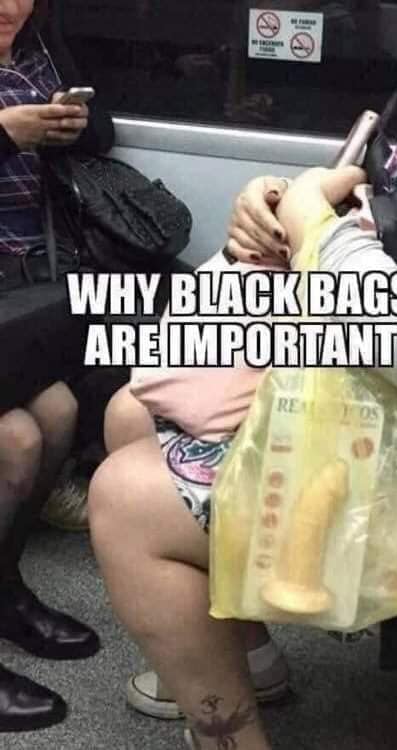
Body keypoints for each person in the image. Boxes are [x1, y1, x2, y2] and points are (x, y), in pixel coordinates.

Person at [89, 1, 397, 748]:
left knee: (125, 499)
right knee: (131, 412)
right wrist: (285, 203)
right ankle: (247, 657)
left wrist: (315, 230)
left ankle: (229, 735)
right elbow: (390, 208)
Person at [0, 0, 113, 733]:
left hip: (21, 279)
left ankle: (3, 587)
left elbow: (103, 135)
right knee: (15, 439)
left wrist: (69, 126)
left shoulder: (40, 46)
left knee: (60, 412)